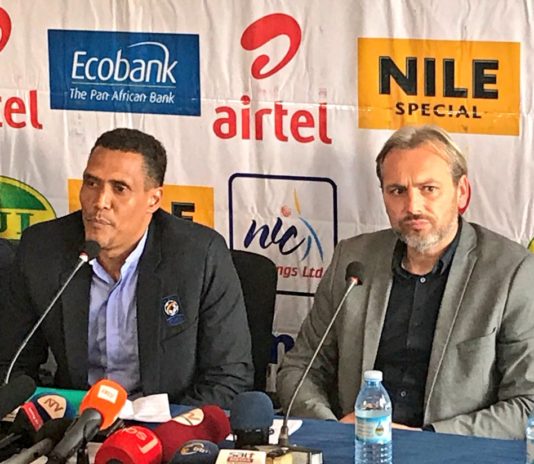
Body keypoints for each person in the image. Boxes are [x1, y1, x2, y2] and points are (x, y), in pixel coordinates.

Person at [277, 124, 534, 439]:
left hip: (451, 451)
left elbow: (528, 403)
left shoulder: (511, 271)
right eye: (397, 191)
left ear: (462, 192)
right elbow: (300, 369)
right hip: (356, 447)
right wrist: (332, 429)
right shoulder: (353, 259)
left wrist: (426, 438)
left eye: (429, 189)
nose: (413, 206)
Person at [0, 128, 253, 408]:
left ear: (153, 200)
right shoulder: (42, 249)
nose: (100, 202)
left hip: (167, 420)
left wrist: (171, 426)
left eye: (119, 188)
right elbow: (11, 365)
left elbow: (228, 376)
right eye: (91, 183)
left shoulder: (199, 256)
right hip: (75, 418)